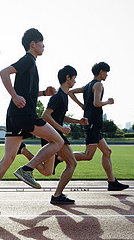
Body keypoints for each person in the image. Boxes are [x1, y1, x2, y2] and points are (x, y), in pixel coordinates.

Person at [0, 28, 64, 215]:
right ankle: (27, 169)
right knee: (58, 141)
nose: (44, 46)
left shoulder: (31, 64)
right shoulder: (27, 60)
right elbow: (3, 72)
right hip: (24, 114)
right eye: (42, 42)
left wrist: (43, 94)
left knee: (8, 158)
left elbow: (28, 92)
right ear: (33, 44)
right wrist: (14, 96)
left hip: (15, 115)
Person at [68, 62, 129, 191]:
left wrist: (83, 106)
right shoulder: (98, 84)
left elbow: (71, 92)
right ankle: (60, 157)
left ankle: (112, 182)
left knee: (107, 151)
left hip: (93, 124)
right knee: (88, 155)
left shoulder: (88, 85)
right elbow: (96, 103)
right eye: (106, 72)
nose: (107, 75)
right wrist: (108, 102)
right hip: (93, 124)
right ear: (101, 72)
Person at [40, 65, 89, 204]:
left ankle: (57, 193)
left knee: (49, 170)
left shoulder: (64, 96)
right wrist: (61, 129)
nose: (75, 81)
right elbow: (45, 115)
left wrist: (78, 121)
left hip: (55, 134)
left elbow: (61, 117)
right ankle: (57, 195)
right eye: (74, 78)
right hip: (53, 135)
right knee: (72, 163)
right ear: (68, 77)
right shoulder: (58, 96)